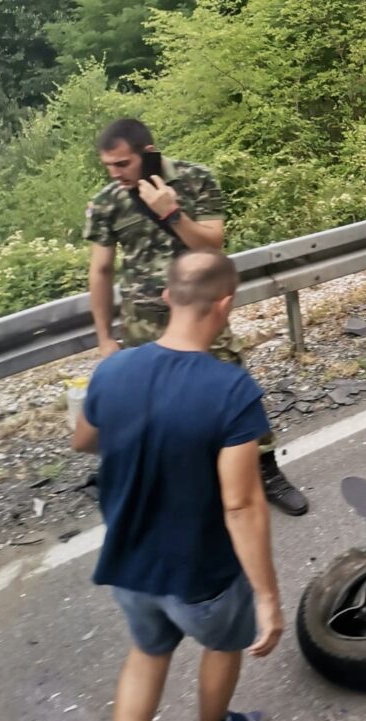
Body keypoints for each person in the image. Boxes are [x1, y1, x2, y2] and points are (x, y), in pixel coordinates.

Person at [71, 252, 284, 721]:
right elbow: (241, 506)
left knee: (146, 656)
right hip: (201, 577)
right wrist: (268, 597)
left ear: (168, 297)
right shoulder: (232, 391)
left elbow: (83, 440)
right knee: (223, 646)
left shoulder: (113, 369)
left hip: (129, 566)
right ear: (225, 304)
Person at [84, 117, 307, 516]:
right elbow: (100, 271)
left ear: (148, 154)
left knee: (233, 388)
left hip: (203, 313)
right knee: (152, 406)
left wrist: (171, 213)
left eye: (122, 164)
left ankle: (265, 469)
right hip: (143, 324)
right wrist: (104, 337)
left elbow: (213, 247)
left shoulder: (196, 179)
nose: (115, 173)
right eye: (108, 166)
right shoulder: (107, 201)